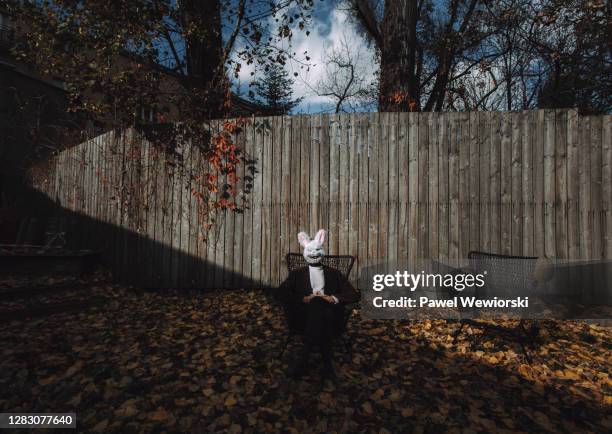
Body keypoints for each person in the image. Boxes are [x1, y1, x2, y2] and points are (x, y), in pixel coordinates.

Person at [274, 229, 359, 380]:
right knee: (317, 305)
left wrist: (332, 298)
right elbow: (280, 293)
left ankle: (303, 359)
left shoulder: (334, 273)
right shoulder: (297, 274)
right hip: (303, 316)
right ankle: (327, 365)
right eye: (310, 251)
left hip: (330, 314)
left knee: (320, 304)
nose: (314, 253)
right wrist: (303, 298)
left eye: (317, 250)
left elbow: (354, 294)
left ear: (322, 251)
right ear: (305, 252)